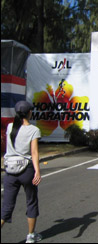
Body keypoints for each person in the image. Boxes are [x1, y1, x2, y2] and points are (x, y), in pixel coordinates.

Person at [1, 101, 42, 243]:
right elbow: (34, 152)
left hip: (10, 170)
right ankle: (31, 236)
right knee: (31, 201)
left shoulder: (10, 127)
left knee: (7, 206)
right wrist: (37, 171)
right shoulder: (33, 130)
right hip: (27, 170)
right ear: (29, 112)